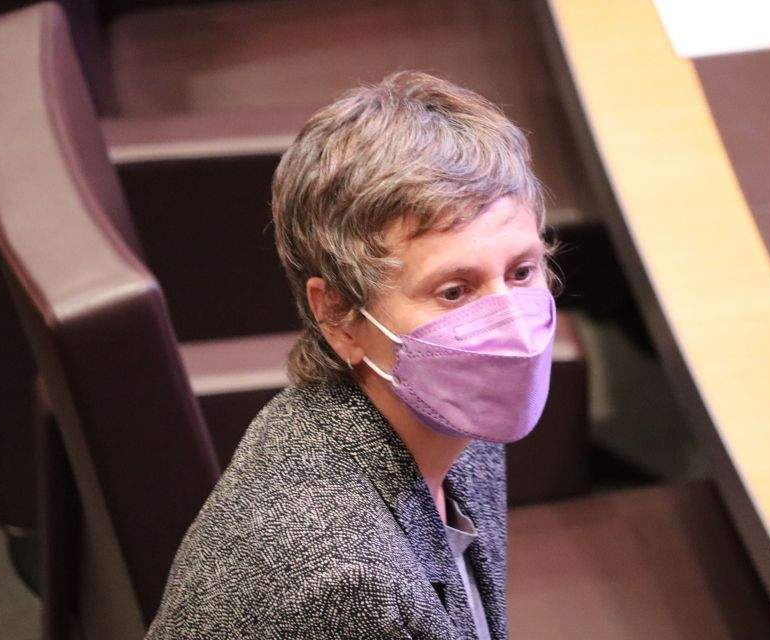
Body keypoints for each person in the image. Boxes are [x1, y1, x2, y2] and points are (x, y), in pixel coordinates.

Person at [145, 70, 559, 640]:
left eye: (522, 271)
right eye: (453, 292)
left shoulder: (458, 427)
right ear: (339, 315)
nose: (508, 326)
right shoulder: (347, 579)